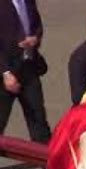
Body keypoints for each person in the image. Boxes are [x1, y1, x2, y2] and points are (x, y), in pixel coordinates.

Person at [0, 0, 51, 143]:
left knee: (38, 119)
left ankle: (46, 161)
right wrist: (5, 72)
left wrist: (35, 38)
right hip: (6, 73)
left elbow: (37, 25)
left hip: (28, 68)